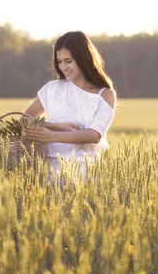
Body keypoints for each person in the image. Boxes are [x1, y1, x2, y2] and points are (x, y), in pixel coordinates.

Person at [23, 31, 116, 181]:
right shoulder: (51, 88)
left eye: (68, 61)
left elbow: (94, 134)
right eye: (59, 62)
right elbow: (24, 119)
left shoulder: (104, 94)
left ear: (84, 59)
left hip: (84, 170)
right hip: (49, 169)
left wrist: (54, 137)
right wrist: (57, 126)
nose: (63, 67)